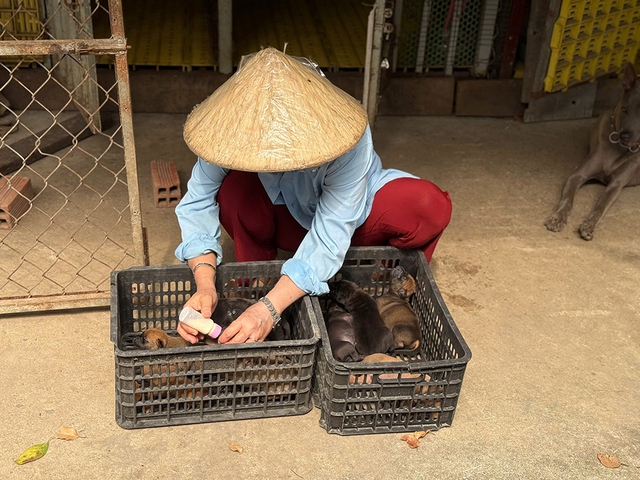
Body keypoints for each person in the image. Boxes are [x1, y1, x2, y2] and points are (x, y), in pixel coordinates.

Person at [174, 47, 451, 345]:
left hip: (349, 221)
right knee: (233, 192)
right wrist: (205, 285)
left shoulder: (345, 134)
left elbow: (331, 235)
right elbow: (198, 202)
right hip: (288, 225)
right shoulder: (232, 127)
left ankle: (379, 280)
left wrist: (269, 309)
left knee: (428, 207)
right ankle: (256, 282)